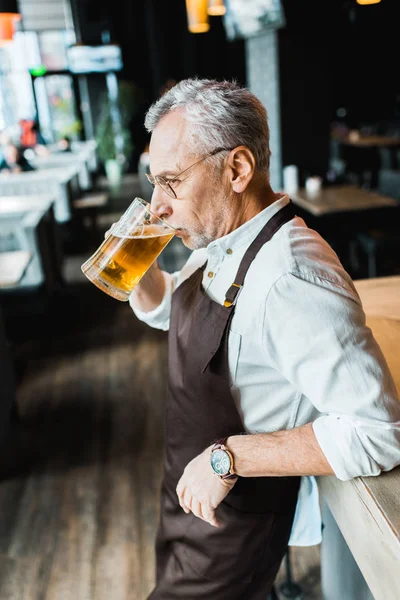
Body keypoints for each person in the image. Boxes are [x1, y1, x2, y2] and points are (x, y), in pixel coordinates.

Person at [128, 79, 400, 599]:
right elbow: (173, 313)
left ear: (237, 169)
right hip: (185, 497)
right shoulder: (222, 237)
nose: (157, 205)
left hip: (233, 524)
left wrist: (228, 458)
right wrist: (136, 266)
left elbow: (377, 432)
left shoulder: (290, 277)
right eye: (153, 181)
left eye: (171, 182)